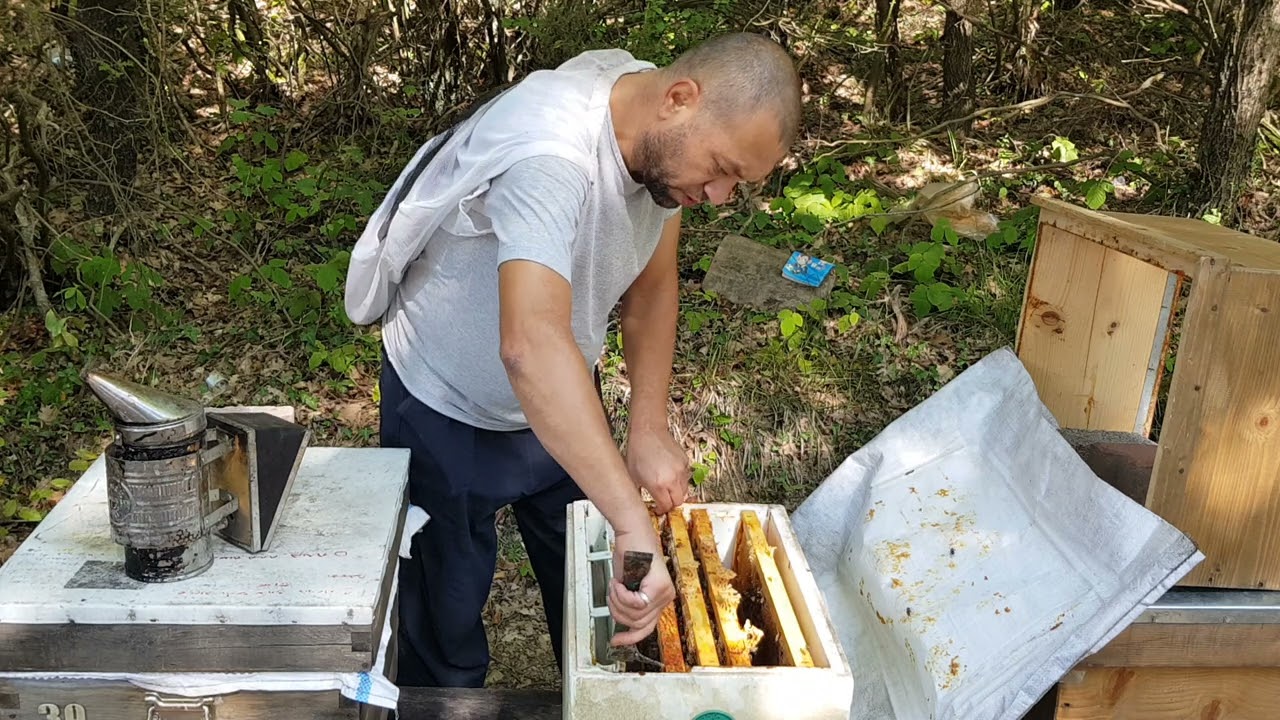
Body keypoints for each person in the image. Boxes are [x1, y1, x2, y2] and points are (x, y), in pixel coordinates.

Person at [343, 32, 803, 688]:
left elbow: (653, 286)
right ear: (680, 99)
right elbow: (528, 344)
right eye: (723, 167)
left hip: (560, 401)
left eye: (739, 181)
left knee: (597, 595)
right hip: (445, 404)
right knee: (443, 623)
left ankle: (596, 695)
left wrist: (646, 427)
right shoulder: (550, 152)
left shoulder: (654, 129)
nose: (723, 195)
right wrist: (632, 517)